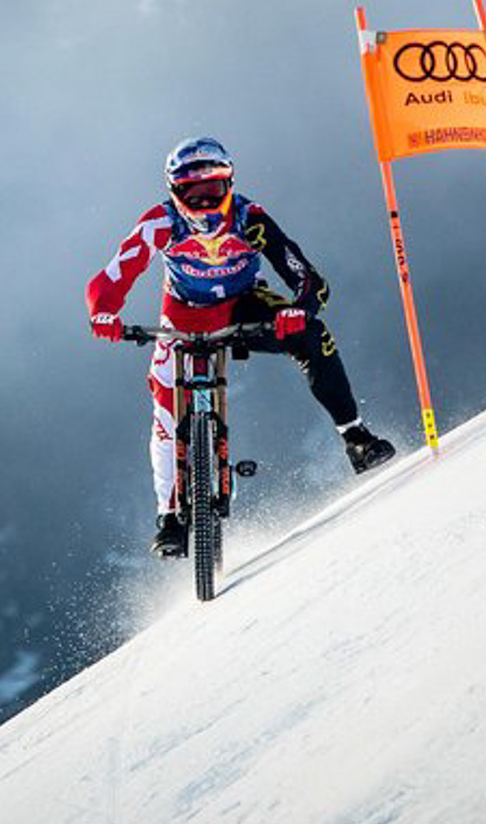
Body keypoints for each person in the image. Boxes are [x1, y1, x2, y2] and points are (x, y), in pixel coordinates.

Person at [86, 136, 396, 556]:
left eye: (213, 189)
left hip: (242, 306)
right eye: (192, 193)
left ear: (229, 183)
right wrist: (103, 313)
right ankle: (170, 517)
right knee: (162, 406)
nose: (204, 202)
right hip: (181, 315)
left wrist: (299, 309)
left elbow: (305, 276)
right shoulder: (159, 223)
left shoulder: (250, 217)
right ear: (173, 192)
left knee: (314, 335)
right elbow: (113, 275)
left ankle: (355, 437)